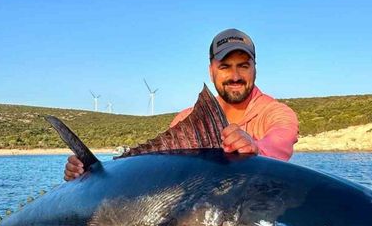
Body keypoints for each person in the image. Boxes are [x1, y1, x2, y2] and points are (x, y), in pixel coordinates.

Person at [64, 28, 299, 181]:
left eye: (243, 66)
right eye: (225, 66)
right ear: (211, 70)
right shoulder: (186, 119)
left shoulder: (278, 113)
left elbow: (278, 144)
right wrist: (90, 176)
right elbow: (157, 169)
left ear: (255, 68)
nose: (235, 75)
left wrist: (256, 149)